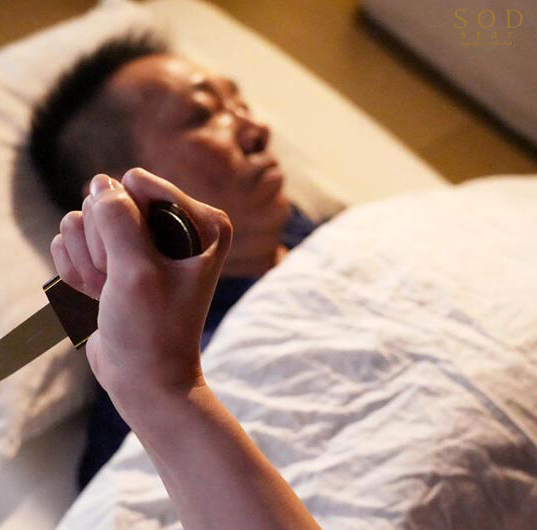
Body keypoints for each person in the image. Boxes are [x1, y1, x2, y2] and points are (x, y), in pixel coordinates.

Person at [29, 33, 321, 491]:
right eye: (204, 114)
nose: (257, 129)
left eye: (239, 104)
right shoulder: (160, 365)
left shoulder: (333, 237)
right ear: (119, 196)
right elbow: (119, 505)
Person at [50, 169, 322, 530]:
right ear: (112, 208)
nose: (255, 137)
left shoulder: (348, 236)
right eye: (199, 123)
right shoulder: (123, 413)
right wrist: (156, 388)